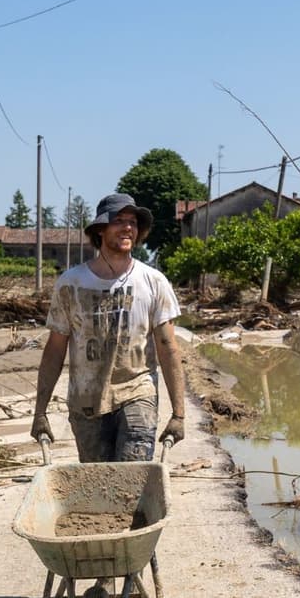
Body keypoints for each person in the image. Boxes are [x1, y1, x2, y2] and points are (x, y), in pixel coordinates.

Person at [31, 192, 187, 465]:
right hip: (86, 400)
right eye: (119, 220)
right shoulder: (72, 284)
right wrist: (40, 412)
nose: (128, 227)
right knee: (98, 485)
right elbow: (55, 349)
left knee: (130, 479)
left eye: (133, 222)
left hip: (138, 393)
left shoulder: (153, 282)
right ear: (101, 230)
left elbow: (167, 347)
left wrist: (179, 414)